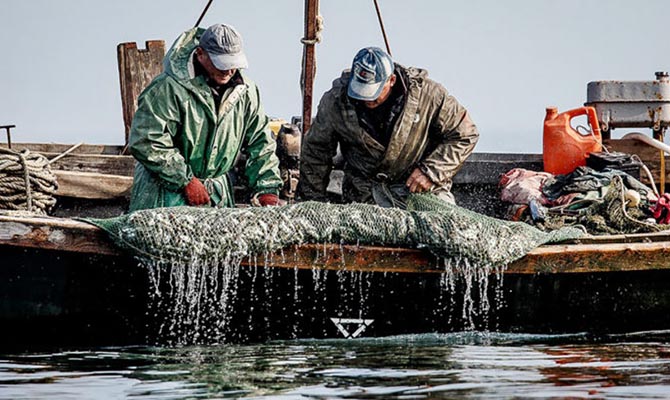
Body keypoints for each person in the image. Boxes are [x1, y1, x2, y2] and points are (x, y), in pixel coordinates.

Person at [298, 47, 479, 206]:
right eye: (360, 91)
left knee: (445, 226)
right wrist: (313, 202)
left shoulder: (429, 96)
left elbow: (465, 135)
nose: (367, 100)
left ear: (391, 80)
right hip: (363, 196)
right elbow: (316, 152)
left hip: (420, 191)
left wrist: (431, 172)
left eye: (373, 92)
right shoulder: (336, 101)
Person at [128, 23, 282, 211]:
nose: (229, 71)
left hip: (217, 196)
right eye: (222, 64)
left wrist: (267, 189)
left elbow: (261, 142)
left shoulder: (247, 92)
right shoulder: (167, 88)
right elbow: (146, 140)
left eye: (233, 64)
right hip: (164, 196)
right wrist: (185, 180)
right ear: (200, 54)